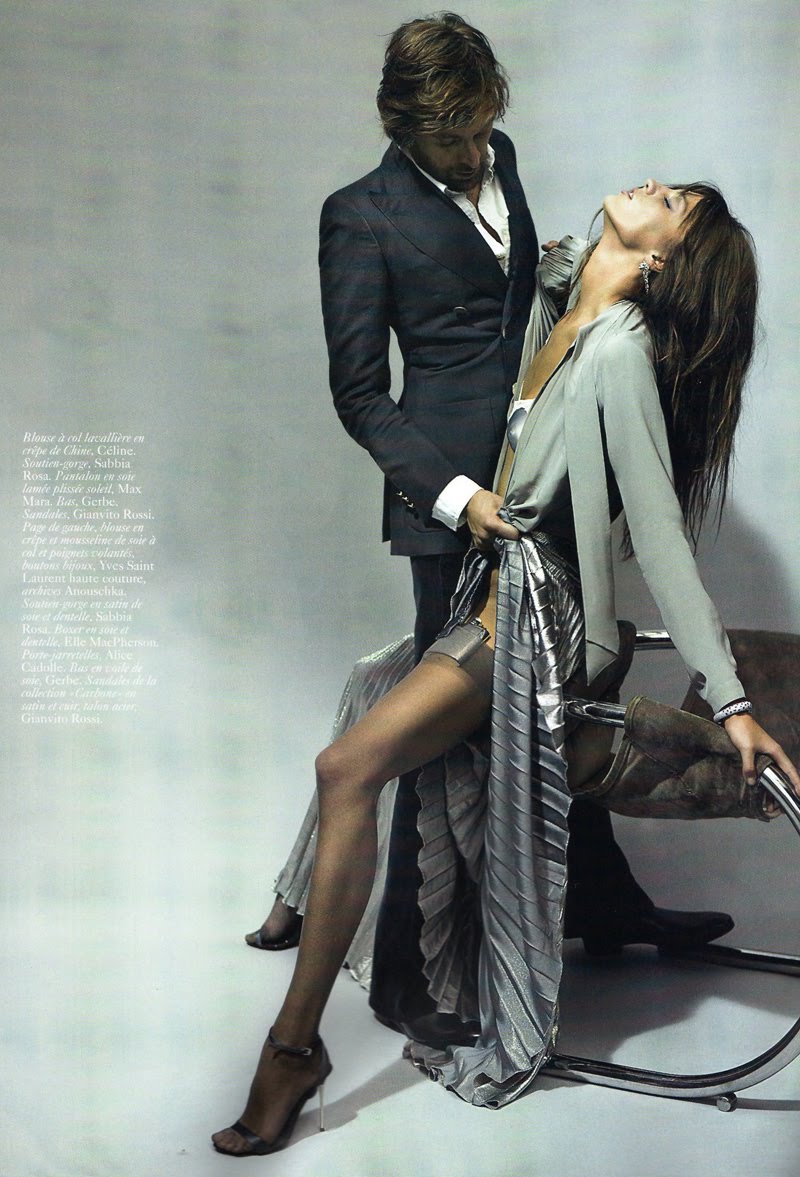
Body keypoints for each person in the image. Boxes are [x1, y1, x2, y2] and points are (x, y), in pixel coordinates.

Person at [212, 177, 800, 1154]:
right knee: (368, 683)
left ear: (664, 258)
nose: (655, 184)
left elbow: (658, 536)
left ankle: (291, 1050)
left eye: (677, 203)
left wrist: (731, 699)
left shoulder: (619, 350)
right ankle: (297, 906)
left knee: (347, 767)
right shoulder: (559, 310)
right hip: (489, 597)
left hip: (542, 624)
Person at [246, 13, 735, 1043]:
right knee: (434, 746)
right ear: (403, 125)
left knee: (549, 703)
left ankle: (603, 902)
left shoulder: (498, 156)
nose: (477, 152)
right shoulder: (359, 217)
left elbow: (516, 313)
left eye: (483, 130)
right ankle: (403, 972)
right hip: (453, 505)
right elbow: (359, 395)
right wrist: (456, 493)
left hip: (545, 472)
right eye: (455, 140)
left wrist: (563, 290)